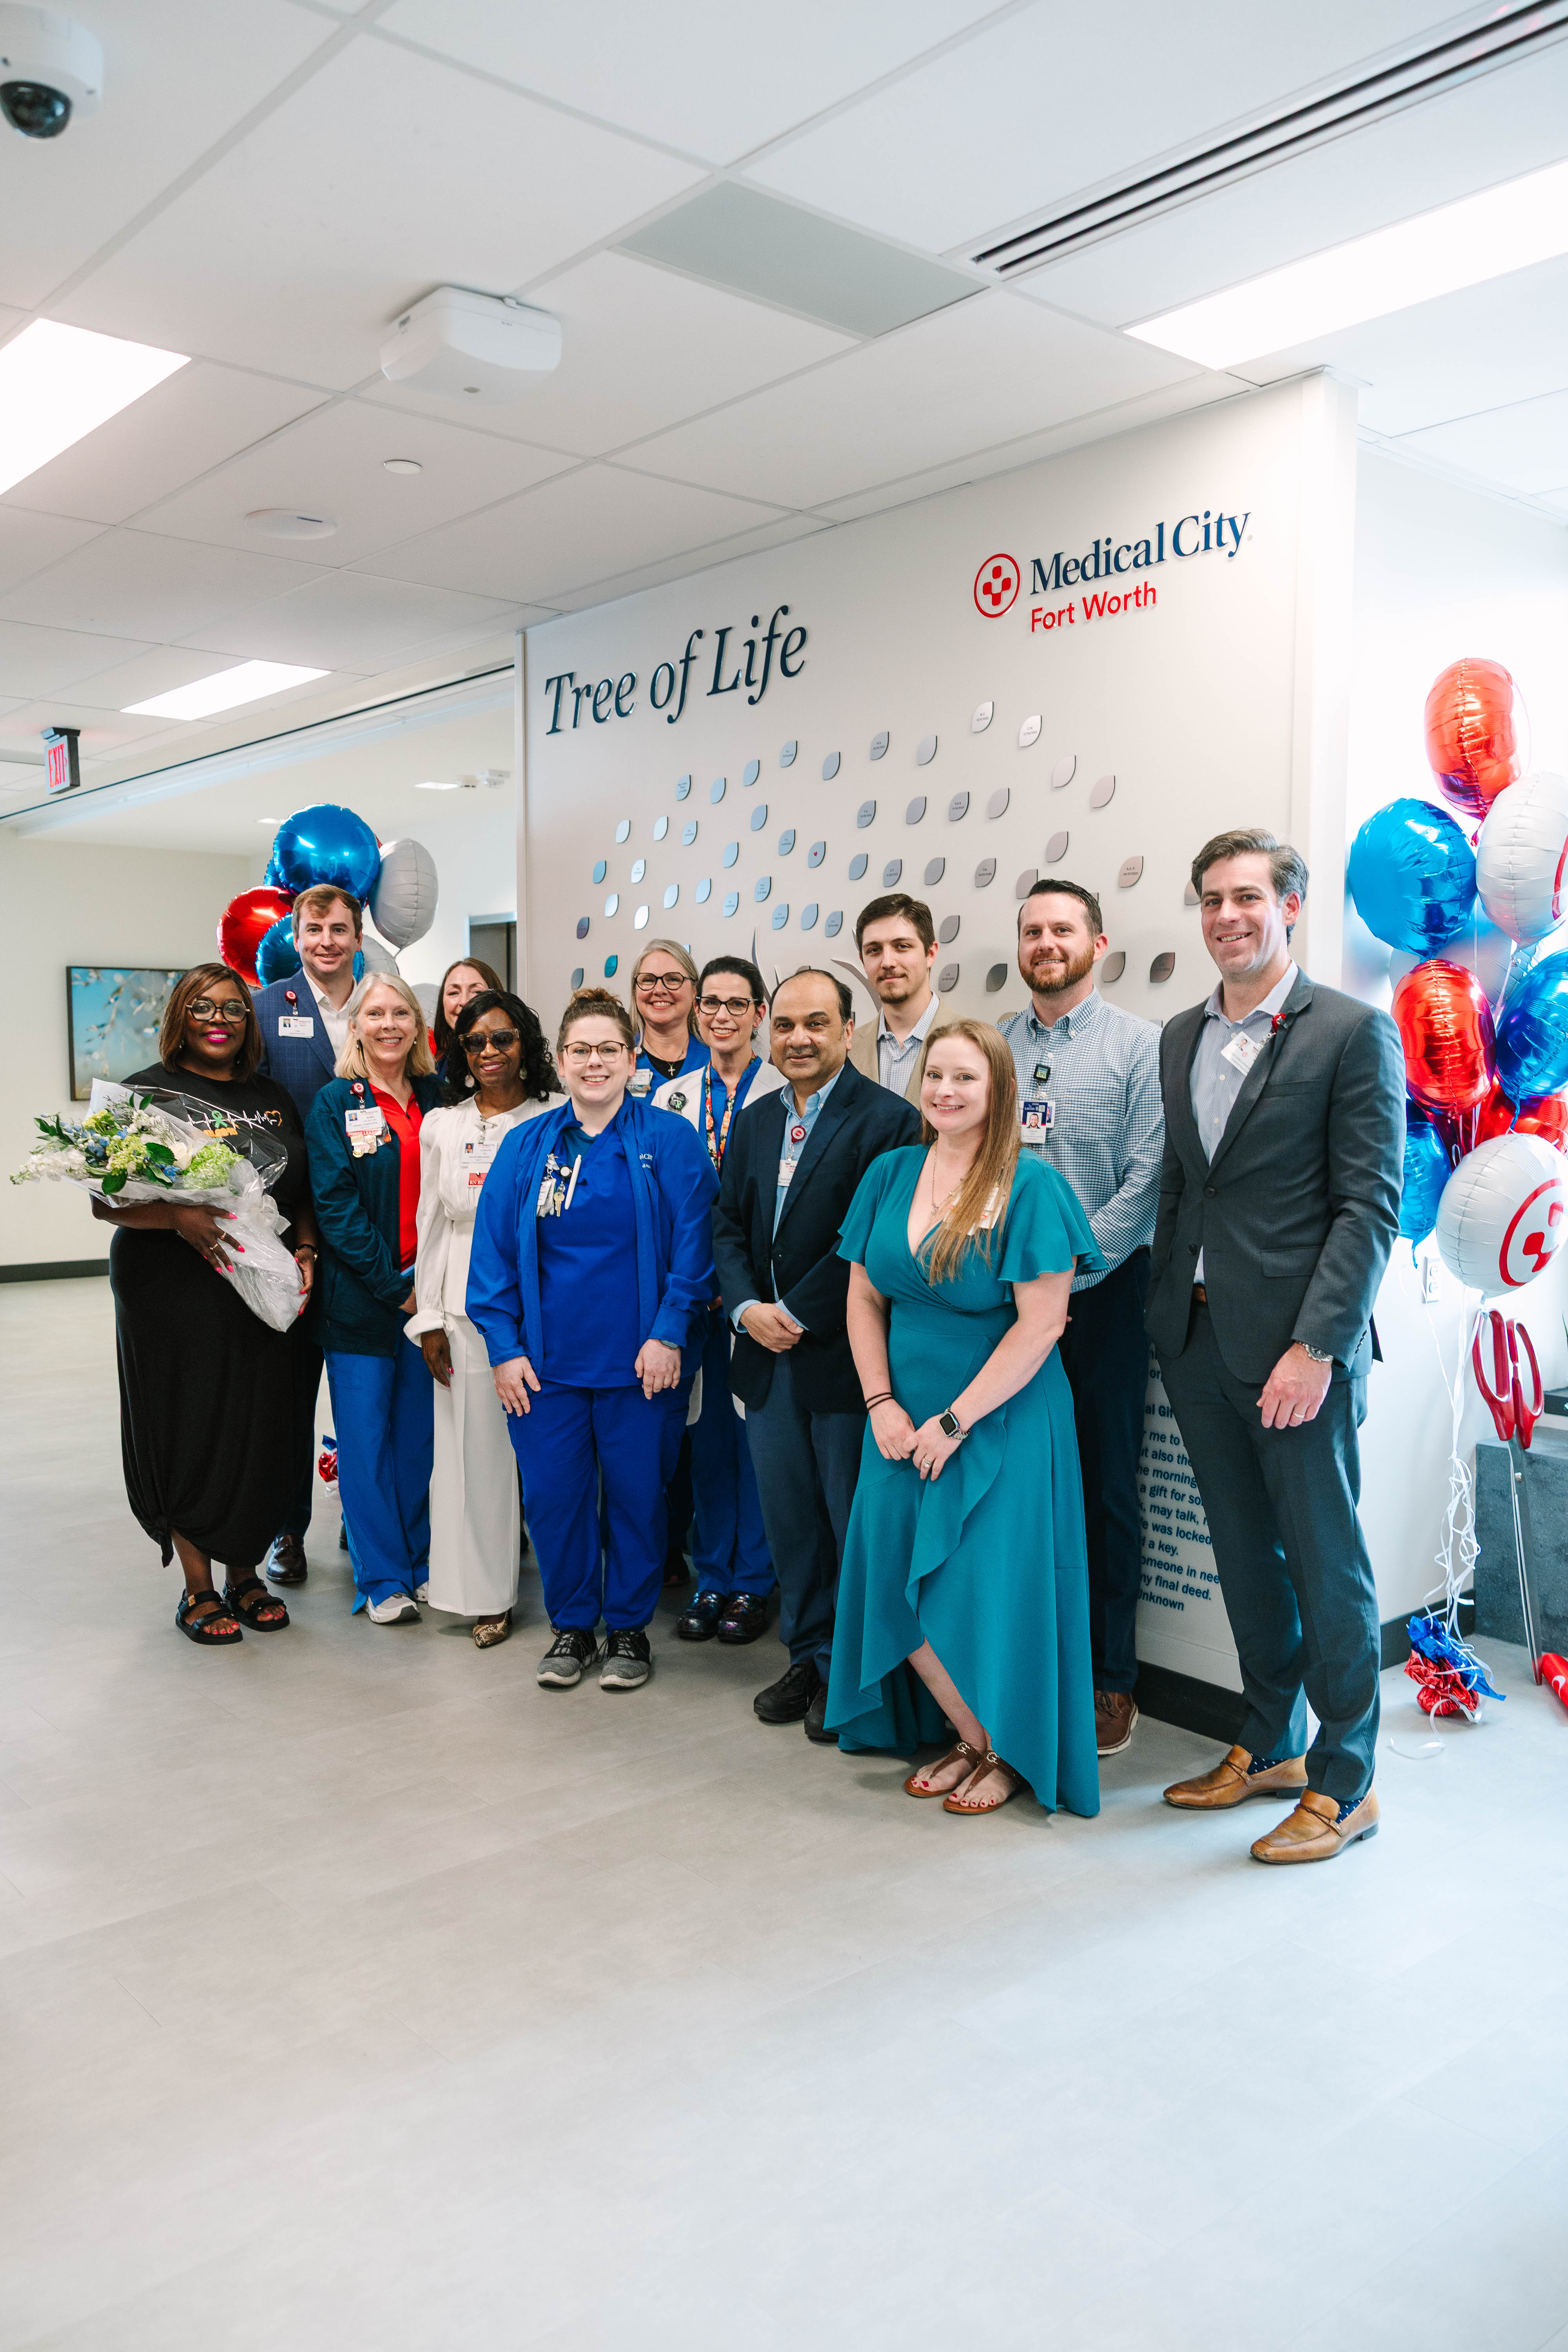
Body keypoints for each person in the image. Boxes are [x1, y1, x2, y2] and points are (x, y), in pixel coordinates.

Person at [1147, 829, 1403, 1866]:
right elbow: (1182, 1186)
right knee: (1244, 1558)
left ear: (1289, 905)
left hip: (1299, 1356)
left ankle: (1349, 1783)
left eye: (1247, 897)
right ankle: (1268, 1745)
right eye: (1210, 899)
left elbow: (1369, 1209)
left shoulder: (1351, 1033)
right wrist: (1168, 1314)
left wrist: (1318, 1347)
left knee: (1325, 1564)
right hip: (1199, 1343)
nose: (1226, 917)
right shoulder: (1181, 1036)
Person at [827, 1021, 1103, 1814]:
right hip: (898, 1415)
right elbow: (861, 1298)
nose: (945, 1091)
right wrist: (880, 1401)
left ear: (998, 1092)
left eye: (965, 1079)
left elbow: (1041, 1324)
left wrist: (954, 1423)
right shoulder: (888, 1173)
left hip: (1001, 1417)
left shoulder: (1029, 1186)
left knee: (988, 1586)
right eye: (935, 1076)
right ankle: (975, 1737)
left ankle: (1004, 1749)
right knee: (887, 1573)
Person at [467, 988, 718, 1694]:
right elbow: (491, 1260)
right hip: (545, 1369)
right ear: (561, 1060)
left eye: (610, 1049)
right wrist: (504, 1348)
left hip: (642, 1366)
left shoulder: (668, 1141)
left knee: (639, 1498)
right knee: (554, 1499)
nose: (596, 1062)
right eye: (581, 1050)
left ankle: (630, 1629)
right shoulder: (527, 1146)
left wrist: (669, 1333)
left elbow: (694, 1252)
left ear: (633, 1059)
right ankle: (573, 1626)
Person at [712, 968, 920, 1739]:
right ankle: (805, 1655)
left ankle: (850, 1677)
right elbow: (726, 1226)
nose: (798, 1039)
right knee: (790, 1521)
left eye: (816, 1024)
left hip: (841, 1358)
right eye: (787, 1025)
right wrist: (745, 1310)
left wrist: (793, 1312)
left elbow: (869, 1242)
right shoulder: (757, 1119)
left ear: (845, 1029)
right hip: (765, 1358)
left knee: (845, 1521)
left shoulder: (889, 1121)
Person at [93, 964, 315, 1644]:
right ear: (180, 1018)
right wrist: (177, 1219)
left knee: (259, 1425)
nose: (220, 1019)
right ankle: (199, 1588)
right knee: (189, 1424)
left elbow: (299, 1190)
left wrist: (306, 1251)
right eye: (203, 1008)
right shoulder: (144, 1093)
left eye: (234, 1010)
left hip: (263, 1288)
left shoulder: (272, 1095)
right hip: (171, 1292)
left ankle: (245, 1575)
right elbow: (106, 1198)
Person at [998, 879, 1164, 1759]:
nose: (1046, 942)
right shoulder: (992, 1048)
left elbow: (1146, 1184)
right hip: (1002, 1307)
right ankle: (1020, 1661)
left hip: (1100, 1309)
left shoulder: (1140, 1046)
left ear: (1096, 943)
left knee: (1104, 1492)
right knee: (1013, 1489)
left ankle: (1109, 1682)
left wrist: (1065, 1279)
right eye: (1032, 930)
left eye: (1062, 929)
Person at [407, 990, 563, 1647]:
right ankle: (484, 1596)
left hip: (550, 1298)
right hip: (465, 1305)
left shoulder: (556, 1117)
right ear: (461, 1053)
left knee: (557, 1462)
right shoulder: (441, 1125)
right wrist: (431, 1320)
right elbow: (431, 1226)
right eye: (476, 1043)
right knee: (473, 1456)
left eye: (503, 1039)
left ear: (525, 1045)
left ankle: (576, 1599)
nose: (490, 1052)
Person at [653, 956, 785, 1645]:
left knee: (752, 1438)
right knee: (704, 1442)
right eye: (713, 1003)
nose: (724, 1015)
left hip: (757, 1301)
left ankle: (754, 1582)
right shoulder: (672, 1099)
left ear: (760, 1014)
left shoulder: (782, 1093)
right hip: (693, 1296)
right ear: (698, 1012)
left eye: (739, 1003)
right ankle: (711, 1576)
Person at [306, 975, 443, 1624]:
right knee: (365, 1443)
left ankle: (417, 1563)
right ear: (356, 1025)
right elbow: (336, 1210)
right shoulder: (336, 1103)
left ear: (418, 1025)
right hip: (364, 1302)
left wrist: (426, 1291)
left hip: (433, 1300)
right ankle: (381, 1578)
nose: (389, 1024)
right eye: (375, 1013)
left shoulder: (439, 1098)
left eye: (401, 1013)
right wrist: (397, 1287)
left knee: (418, 1441)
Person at [253, 883, 364, 1586]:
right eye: (314, 928)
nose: (326, 940)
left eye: (340, 928)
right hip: (290, 1236)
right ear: (296, 936)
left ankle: (366, 1517)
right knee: (289, 1400)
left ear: (359, 935)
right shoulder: (265, 1010)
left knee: (365, 1396)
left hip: (367, 1237)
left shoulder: (387, 1005)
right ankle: (286, 1532)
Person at [848, 893, 941, 1105]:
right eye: (874, 950)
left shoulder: (975, 1042)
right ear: (863, 961)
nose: (887, 962)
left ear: (930, 953)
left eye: (902, 946)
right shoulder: (846, 1050)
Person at [628, 939, 708, 1096]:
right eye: (648, 980)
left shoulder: (715, 1058)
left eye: (673, 979)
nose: (659, 990)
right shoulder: (618, 1057)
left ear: (695, 991)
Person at [430, 957, 507, 1079]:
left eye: (477, 992)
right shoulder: (433, 1072)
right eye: (454, 993)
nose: (464, 1001)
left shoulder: (512, 1060)